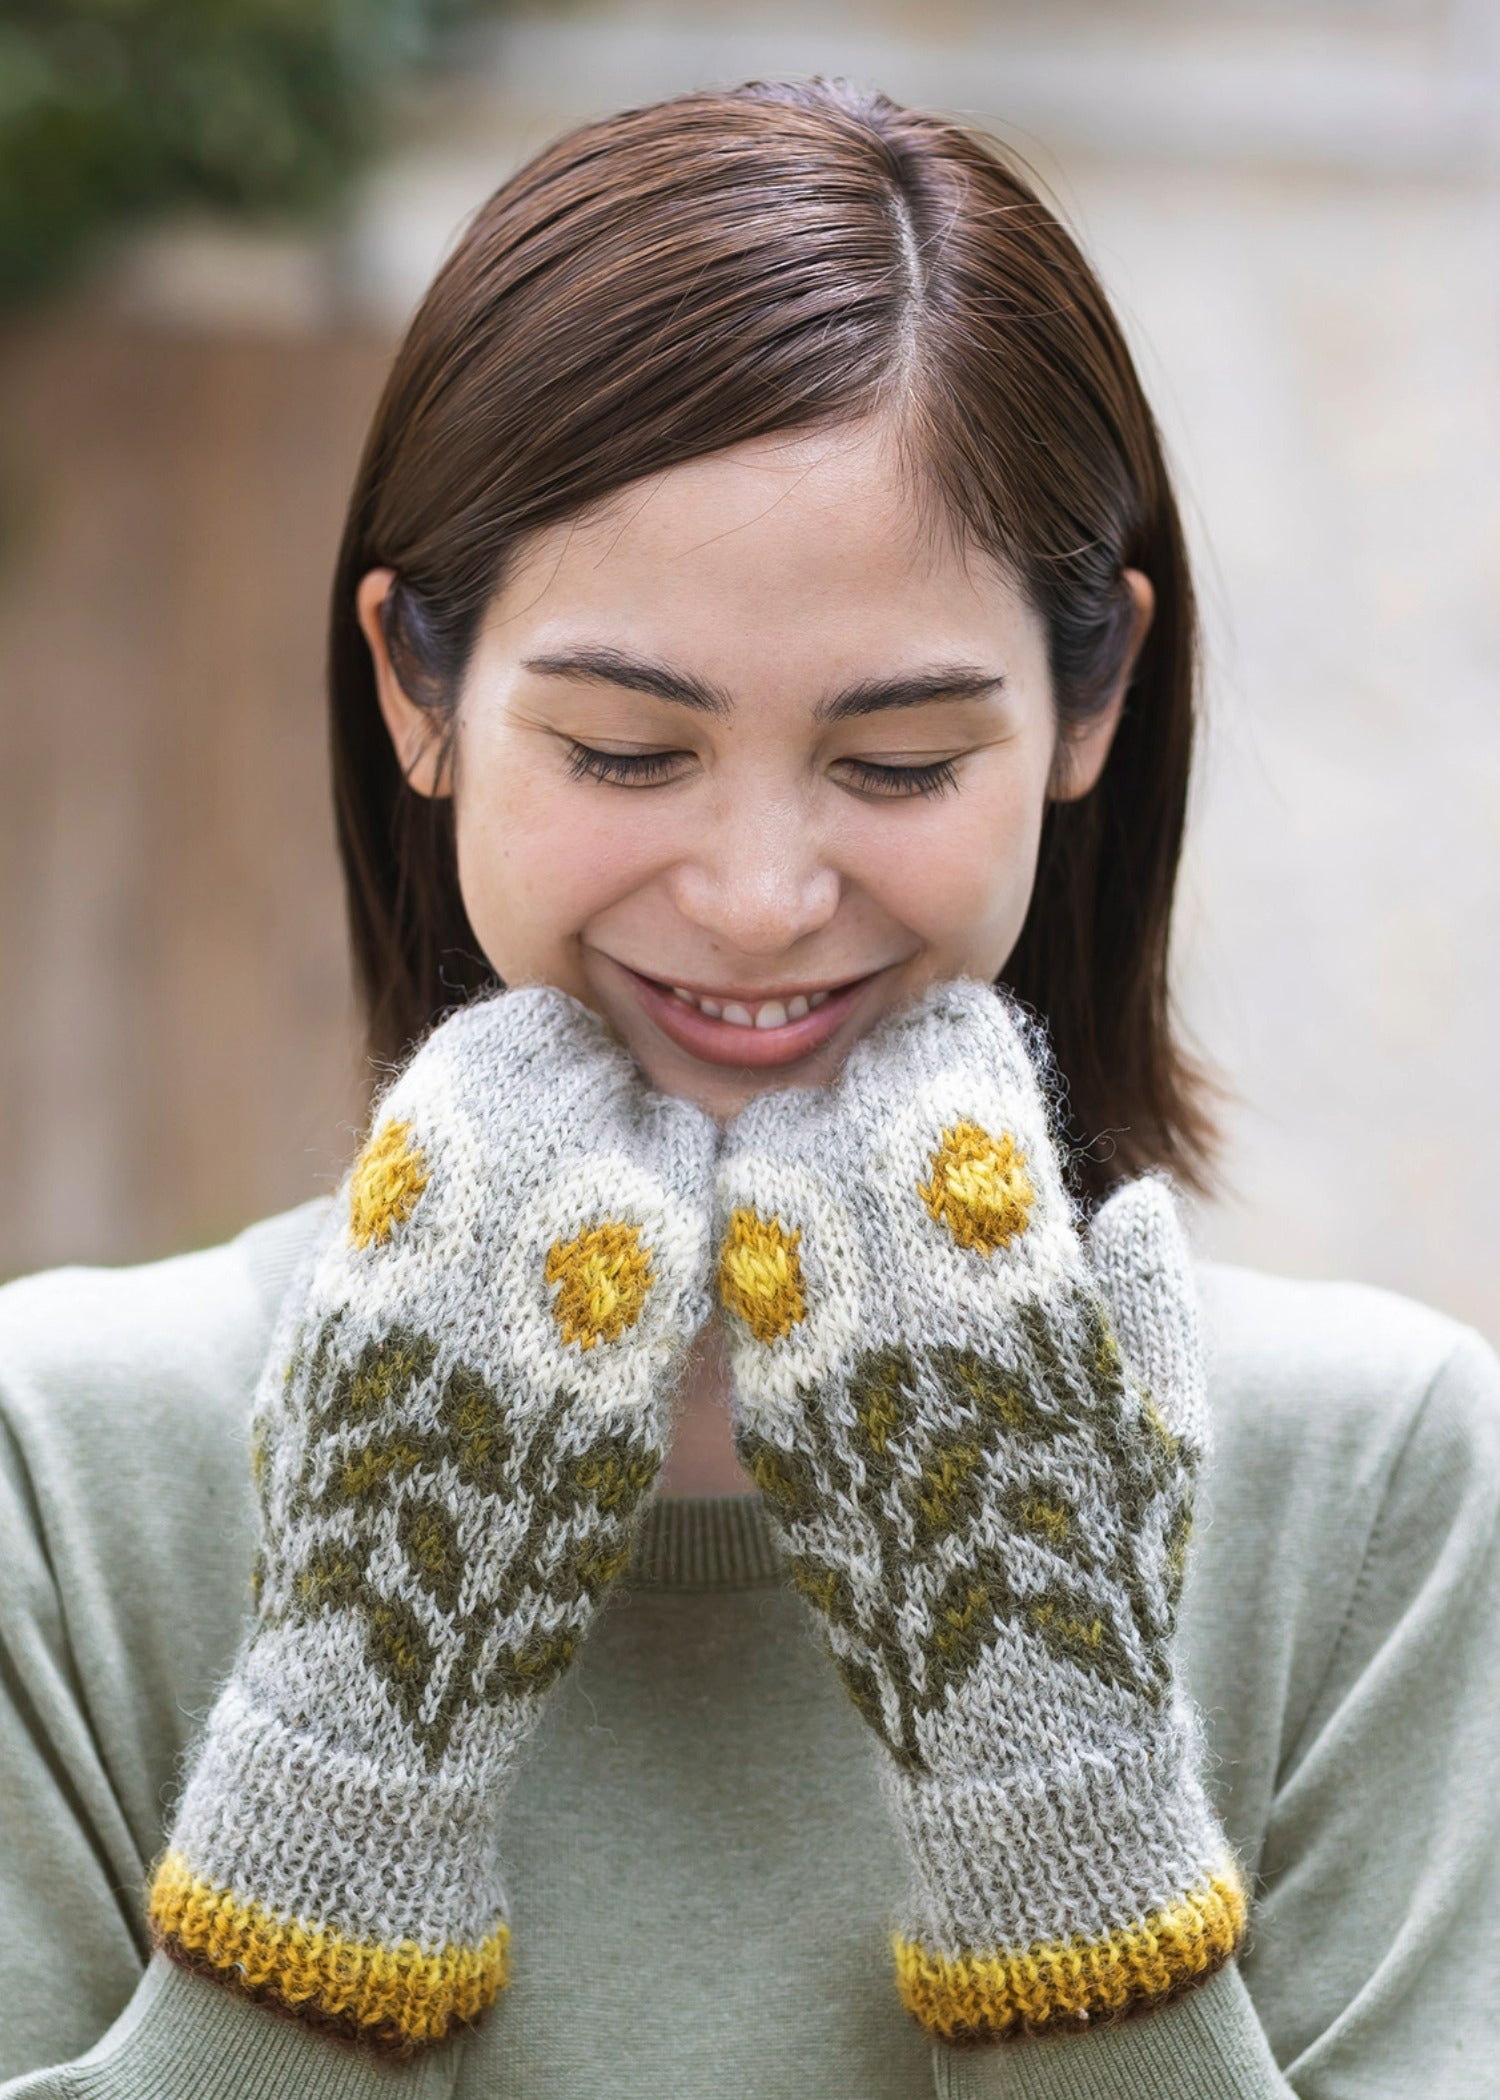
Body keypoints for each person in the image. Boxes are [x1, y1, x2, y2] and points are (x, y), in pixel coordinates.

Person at [0, 78, 1495, 2100]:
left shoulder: (1387, 1497)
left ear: (1092, 703)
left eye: (896, 766)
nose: (763, 897)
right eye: (627, 751)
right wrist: (339, 1813)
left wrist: (1050, 1796)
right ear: (414, 690)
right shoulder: (64, 1483)